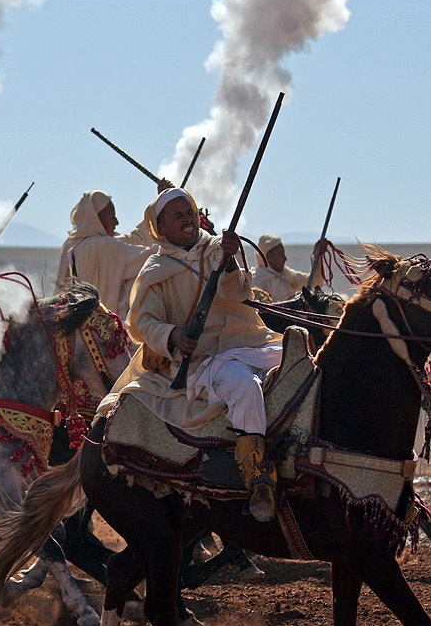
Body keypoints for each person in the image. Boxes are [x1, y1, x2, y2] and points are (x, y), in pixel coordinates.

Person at [99, 187, 283, 521]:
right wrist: (174, 335)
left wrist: (228, 262)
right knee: (244, 387)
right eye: (178, 215)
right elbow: (144, 324)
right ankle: (257, 476)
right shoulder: (154, 270)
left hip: (249, 342)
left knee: (302, 362)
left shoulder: (216, 248)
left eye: (190, 213)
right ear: (161, 227)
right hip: (205, 360)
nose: (187, 220)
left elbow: (235, 292)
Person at [56, 189, 159, 321]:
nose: (116, 222)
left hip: (84, 330)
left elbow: (131, 240)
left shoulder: (74, 246)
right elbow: (148, 258)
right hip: (107, 330)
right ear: (97, 221)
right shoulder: (106, 246)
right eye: (112, 217)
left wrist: (157, 208)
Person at [250, 234, 310, 303]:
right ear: (269, 258)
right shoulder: (255, 280)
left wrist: (317, 258)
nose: (285, 258)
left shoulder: (287, 274)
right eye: (281, 254)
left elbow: (311, 281)